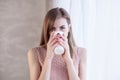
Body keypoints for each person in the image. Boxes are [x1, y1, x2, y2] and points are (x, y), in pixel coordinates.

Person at [27, 7, 87, 80]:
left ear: (69, 28)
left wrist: (68, 59)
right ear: (47, 31)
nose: (58, 33)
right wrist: (48, 57)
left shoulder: (81, 52)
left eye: (62, 28)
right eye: (52, 29)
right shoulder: (35, 53)